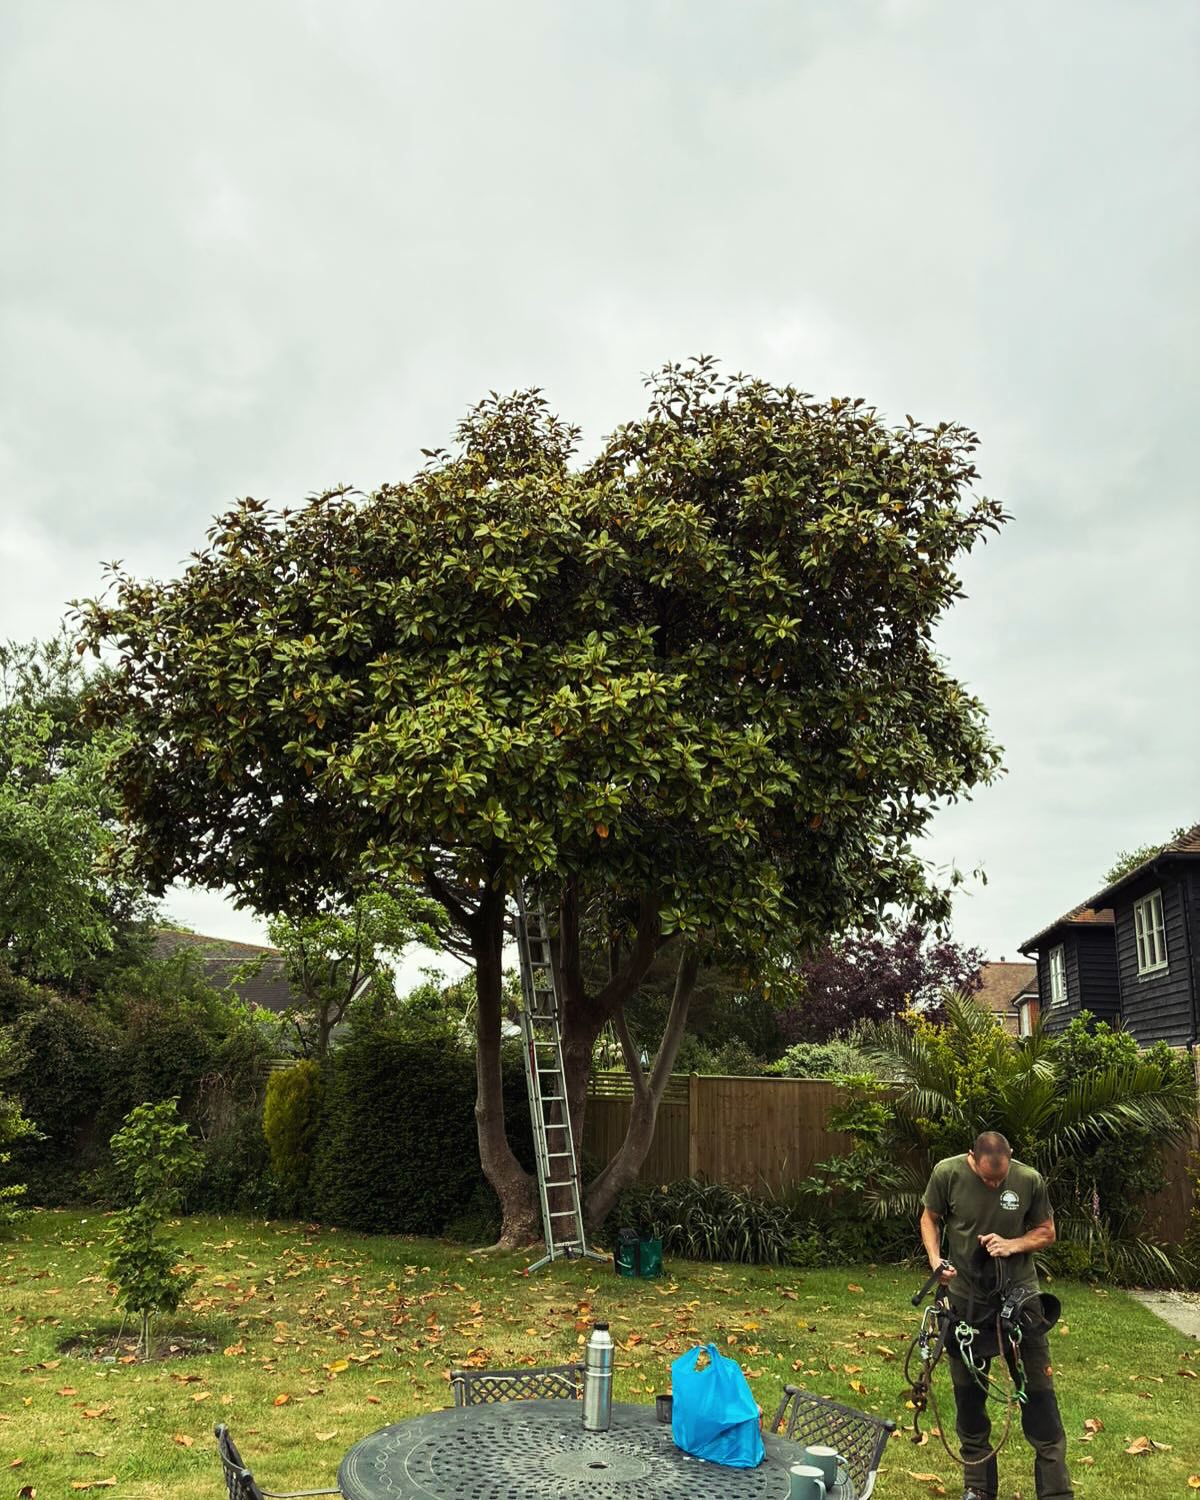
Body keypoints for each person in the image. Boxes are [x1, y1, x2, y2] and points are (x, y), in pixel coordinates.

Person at [919, 1131, 1073, 1500]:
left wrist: (1012, 1245)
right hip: (965, 1303)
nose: (993, 1183)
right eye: (987, 1178)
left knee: (1040, 1400)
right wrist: (936, 1261)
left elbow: (1046, 1232)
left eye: (999, 1179)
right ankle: (979, 1490)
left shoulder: (1029, 1180)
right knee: (969, 1401)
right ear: (971, 1157)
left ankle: (1055, 1493)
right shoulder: (948, 1173)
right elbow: (930, 1218)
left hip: (1021, 1302)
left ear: (1010, 1158)